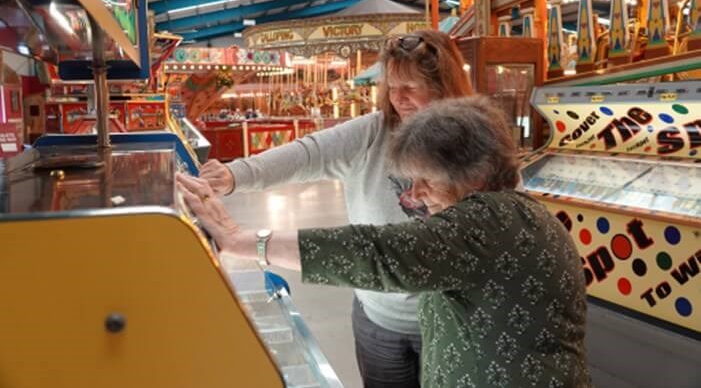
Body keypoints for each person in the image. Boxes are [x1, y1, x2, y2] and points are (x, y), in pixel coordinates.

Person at [178, 96, 592, 388]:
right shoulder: (509, 215)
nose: (413, 196)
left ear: (475, 174)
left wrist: (243, 240)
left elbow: (380, 253)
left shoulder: (487, 220)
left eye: (425, 180)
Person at [198, 30, 473, 387]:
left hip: (450, 319)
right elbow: (307, 154)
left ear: (441, 86)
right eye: (392, 87)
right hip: (378, 318)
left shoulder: (474, 141)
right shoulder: (372, 133)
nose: (398, 98)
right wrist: (234, 175)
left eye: (411, 88)